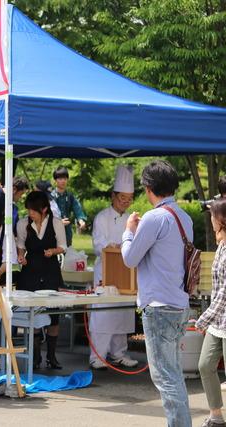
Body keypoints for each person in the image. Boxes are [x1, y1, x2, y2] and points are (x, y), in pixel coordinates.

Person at [121, 160, 192, 426]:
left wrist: (128, 230)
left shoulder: (154, 217)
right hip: (178, 303)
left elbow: (129, 258)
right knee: (173, 375)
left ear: (149, 188)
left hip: (159, 306)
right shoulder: (183, 217)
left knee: (165, 377)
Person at [88, 166, 138, 370]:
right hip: (106, 271)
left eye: (129, 199)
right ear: (113, 196)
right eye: (122, 198)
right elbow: (98, 244)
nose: (125, 203)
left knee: (123, 314)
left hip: (125, 272)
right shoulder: (102, 217)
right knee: (104, 314)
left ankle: (119, 353)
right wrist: (112, 246)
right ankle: (97, 355)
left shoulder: (131, 219)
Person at [16, 191, 67, 369]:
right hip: (30, 271)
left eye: (34, 210)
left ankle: (51, 356)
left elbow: (63, 246)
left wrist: (53, 251)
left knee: (53, 316)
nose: (30, 213)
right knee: (33, 315)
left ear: (44, 209)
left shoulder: (56, 223)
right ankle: (36, 356)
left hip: (51, 270)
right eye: (29, 210)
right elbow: (21, 246)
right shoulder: (23, 224)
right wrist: (21, 256)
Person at [197, 198, 226, 427]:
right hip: (218, 321)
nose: (210, 218)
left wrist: (202, 319)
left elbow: (224, 294)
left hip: (220, 317)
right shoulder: (221, 244)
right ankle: (216, 416)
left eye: (212, 215)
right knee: (205, 365)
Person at [51, 166, 86, 246]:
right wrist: (58, 223)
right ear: (55, 180)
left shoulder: (70, 196)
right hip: (53, 231)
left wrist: (81, 220)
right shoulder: (50, 196)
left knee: (67, 254)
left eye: (65, 178)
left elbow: (77, 208)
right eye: (60, 179)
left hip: (67, 232)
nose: (63, 181)